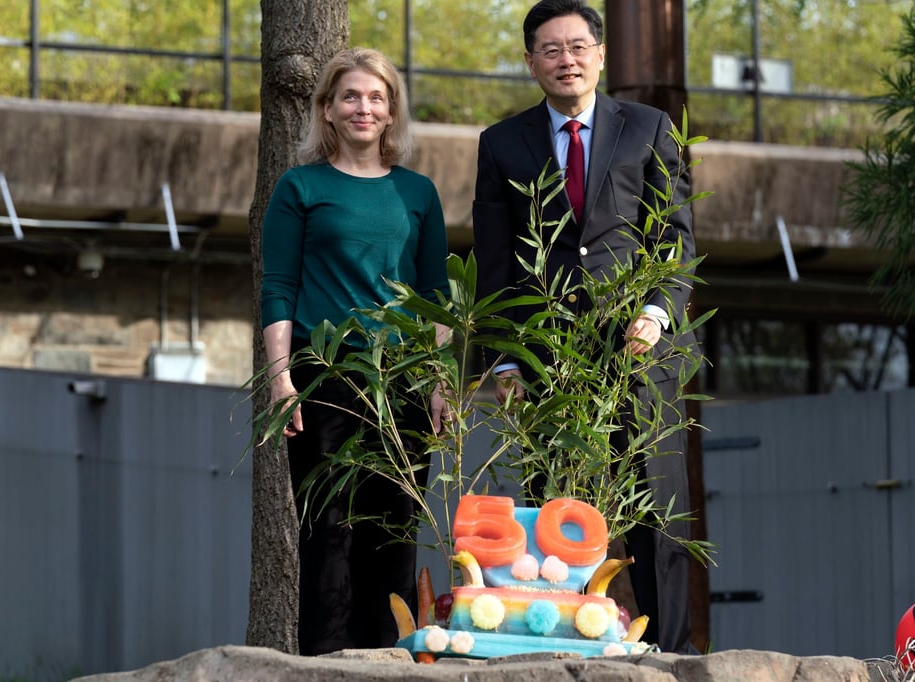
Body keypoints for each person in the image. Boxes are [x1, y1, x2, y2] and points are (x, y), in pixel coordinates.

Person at [472, 0, 698, 654]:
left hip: (638, 351)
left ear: (601, 54)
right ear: (530, 62)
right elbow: (495, 262)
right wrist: (505, 362)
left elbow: (675, 240)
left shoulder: (650, 128)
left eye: (577, 47)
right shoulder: (500, 144)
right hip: (548, 362)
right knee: (555, 511)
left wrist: (655, 312)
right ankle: (560, 647)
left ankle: (673, 655)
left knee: (655, 507)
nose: (565, 60)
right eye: (550, 49)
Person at [260, 47, 450, 655]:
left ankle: (389, 660)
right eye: (350, 96)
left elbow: (436, 296)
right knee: (328, 532)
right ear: (327, 109)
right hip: (326, 379)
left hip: (402, 382)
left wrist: (439, 383)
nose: (363, 108)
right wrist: (281, 379)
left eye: (376, 97)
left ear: (391, 112)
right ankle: (325, 664)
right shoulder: (300, 187)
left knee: (395, 532)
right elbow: (278, 287)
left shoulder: (417, 192)